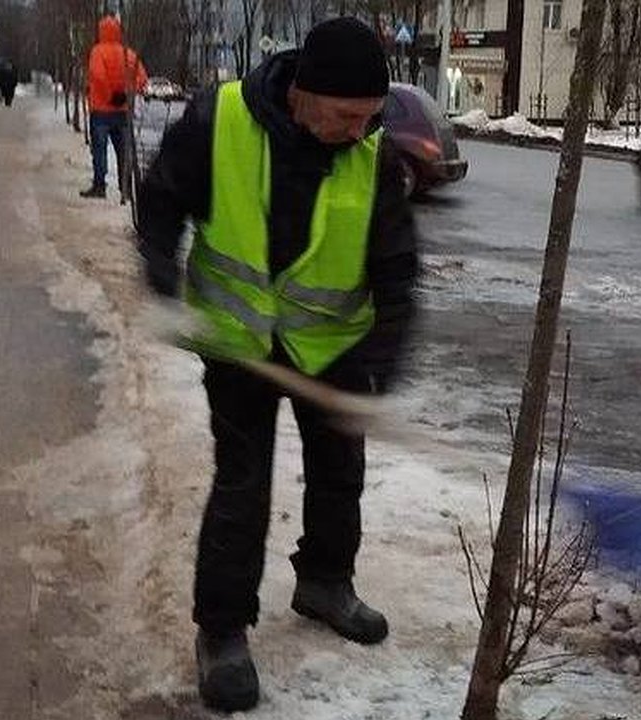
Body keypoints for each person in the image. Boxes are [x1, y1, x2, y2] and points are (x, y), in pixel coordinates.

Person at [134, 17, 417, 713]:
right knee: (243, 482)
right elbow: (162, 198)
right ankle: (222, 632)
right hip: (238, 343)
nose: (360, 130)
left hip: (332, 345)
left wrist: (381, 364)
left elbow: (397, 270)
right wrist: (161, 278)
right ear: (304, 94)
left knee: (338, 473)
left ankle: (324, 582)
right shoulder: (220, 120)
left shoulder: (371, 156)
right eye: (349, 116)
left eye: (371, 118)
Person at [80, 14, 148, 202]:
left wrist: (110, 95)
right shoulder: (128, 53)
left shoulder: (97, 52)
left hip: (101, 110)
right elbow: (142, 78)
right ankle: (125, 187)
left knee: (100, 150)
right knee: (123, 151)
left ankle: (100, 185)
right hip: (123, 111)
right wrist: (125, 94)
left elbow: (98, 75)